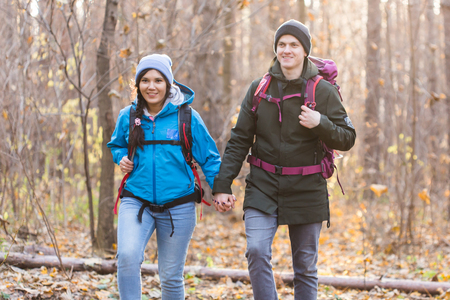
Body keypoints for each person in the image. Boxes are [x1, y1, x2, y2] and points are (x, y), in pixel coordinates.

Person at [212, 20, 356, 300]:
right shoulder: (259, 89)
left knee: (304, 268)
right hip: (263, 184)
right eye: (282, 44)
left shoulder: (322, 91)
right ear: (276, 49)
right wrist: (222, 184)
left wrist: (321, 123)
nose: (286, 50)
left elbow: (347, 138)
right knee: (255, 250)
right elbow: (240, 140)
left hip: (307, 186)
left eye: (294, 45)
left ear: (305, 51)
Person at [107, 54, 221, 300]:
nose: (151, 86)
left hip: (178, 204)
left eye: (158, 80)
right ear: (137, 85)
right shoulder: (128, 116)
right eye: (145, 80)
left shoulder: (187, 117)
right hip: (136, 199)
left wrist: (220, 190)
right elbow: (116, 145)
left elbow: (210, 157)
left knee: (170, 276)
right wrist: (121, 158)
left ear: (169, 84)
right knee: (127, 257)